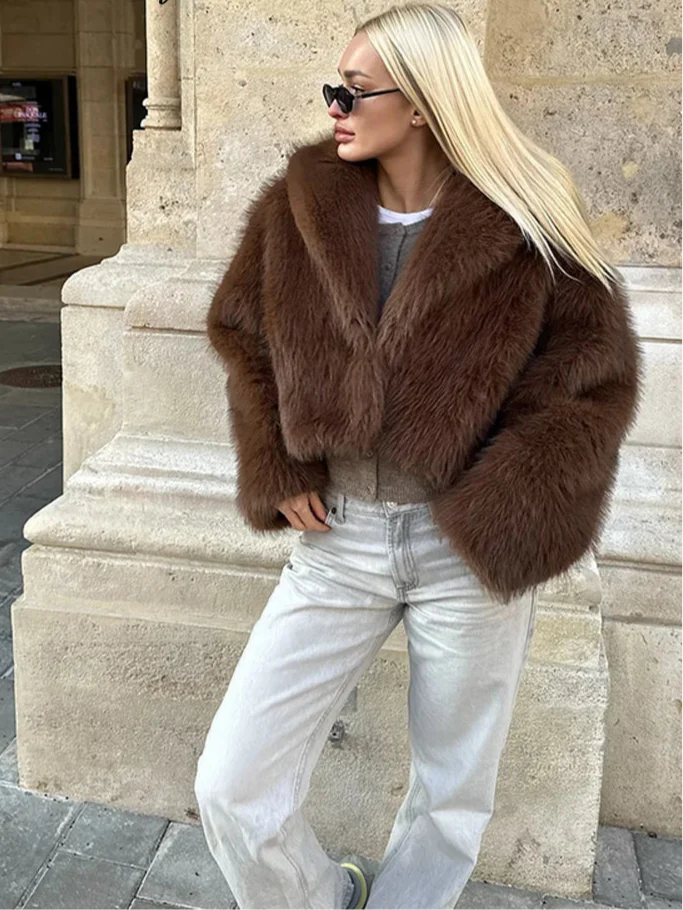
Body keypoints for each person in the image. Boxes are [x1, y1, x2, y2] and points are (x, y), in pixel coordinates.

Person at [193, 4, 644, 909]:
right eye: (335, 87)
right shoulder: (300, 205)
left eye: (353, 90)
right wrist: (277, 470)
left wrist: (497, 512)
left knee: (449, 796)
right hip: (337, 545)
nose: (333, 106)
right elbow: (243, 334)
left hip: (461, 550)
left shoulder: (528, 224)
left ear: (427, 103)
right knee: (231, 784)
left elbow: (589, 385)